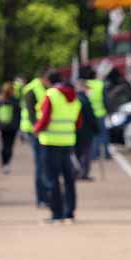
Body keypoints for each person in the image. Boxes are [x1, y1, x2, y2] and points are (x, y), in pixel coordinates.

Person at [32, 71, 82, 222]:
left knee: (52, 179)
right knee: (69, 179)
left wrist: (36, 130)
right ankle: (70, 211)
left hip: (50, 141)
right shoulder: (74, 96)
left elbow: (45, 117)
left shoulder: (51, 95)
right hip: (67, 141)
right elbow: (78, 122)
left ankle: (57, 213)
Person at [20, 71, 50, 206]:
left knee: (44, 164)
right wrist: (36, 129)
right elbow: (31, 112)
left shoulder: (43, 88)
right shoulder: (31, 89)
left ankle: (46, 196)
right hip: (34, 131)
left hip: (40, 131)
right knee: (40, 165)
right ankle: (42, 198)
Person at [81, 67, 111, 161]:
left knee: (93, 135)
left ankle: (95, 154)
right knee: (103, 134)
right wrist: (109, 111)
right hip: (100, 112)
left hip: (90, 114)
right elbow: (105, 99)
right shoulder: (100, 84)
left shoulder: (85, 85)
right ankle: (106, 153)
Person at [73, 76, 99, 181]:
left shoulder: (73, 99)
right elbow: (90, 117)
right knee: (86, 154)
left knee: (76, 153)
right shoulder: (85, 100)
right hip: (86, 131)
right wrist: (96, 128)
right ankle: (83, 173)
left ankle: (76, 172)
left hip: (75, 131)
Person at [0, 81, 19, 174]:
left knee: (4, 145)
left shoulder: (1, 101)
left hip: (3, 126)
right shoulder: (15, 101)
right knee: (9, 146)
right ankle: (7, 164)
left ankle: (4, 163)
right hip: (12, 127)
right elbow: (18, 114)